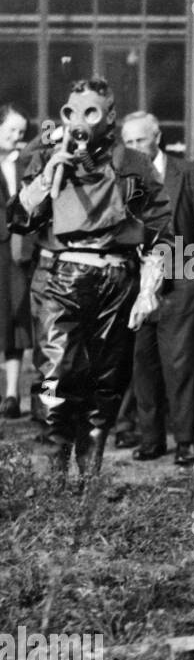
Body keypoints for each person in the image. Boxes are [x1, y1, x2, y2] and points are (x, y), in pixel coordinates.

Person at [6, 78, 171, 482]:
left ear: (110, 116)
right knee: (53, 378)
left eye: (93, 112)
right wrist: (46, 179)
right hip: (59, 276)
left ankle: (90, 479)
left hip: (115, 278)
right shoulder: (45, 156)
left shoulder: (133, 164)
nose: (81, 121)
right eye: (73, 111)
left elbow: (161, 233)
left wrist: (149, 290)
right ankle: (51, 481)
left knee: (106, 381)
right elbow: (18, 218)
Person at [120, 111, 194, 465]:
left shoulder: (187, 174)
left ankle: (187, 443)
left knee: (179, 365)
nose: (133, 148)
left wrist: (190, 272)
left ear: (156, 137)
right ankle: (151, 439)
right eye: (126, 142)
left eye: (139, 140)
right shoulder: (123, 179)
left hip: (180, 281)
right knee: (143, 364)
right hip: (138, 285)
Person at [0, 103, 36, 421]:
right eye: (11, 130)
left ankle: (12, 395)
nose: (17, 137)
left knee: (15, 318)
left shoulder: (23, 163)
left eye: (22, 132)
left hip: (14, 250)